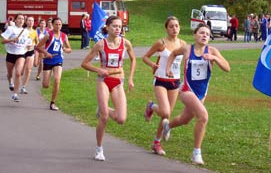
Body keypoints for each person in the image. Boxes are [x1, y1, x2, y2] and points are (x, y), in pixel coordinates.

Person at [163, 23, 230, 165]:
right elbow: (173, 53)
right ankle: (196, 153)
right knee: (203, 117)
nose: (204, 35)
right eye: (201, 33)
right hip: (187, 90)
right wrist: (168, 68)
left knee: (185, 119)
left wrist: (215, 59)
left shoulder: (212, 51)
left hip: (201, 93)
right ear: (195, 35)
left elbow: (227, 68)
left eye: (207, 34)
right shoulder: (188, 49)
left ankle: (168, 126)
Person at [81, 15, 136, 161]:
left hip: (118, 80)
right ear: (108, 27)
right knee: (104, 117)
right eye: (115, 26)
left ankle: (102, 108)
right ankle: (99, 149)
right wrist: (99, 70)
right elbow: (85, 63)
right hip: (103, 80)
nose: (118, 29)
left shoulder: (126, 43)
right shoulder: (100, 44)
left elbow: (133, 59)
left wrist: (130, 78)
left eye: (120, 26)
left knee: (121, 118)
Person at [142, 16, 186, 156]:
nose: (174, 29)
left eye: (176, 26)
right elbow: (145, 57)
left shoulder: (183, 44)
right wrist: (153, 65)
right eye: (171, 26)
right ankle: (151, 107)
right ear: (166, 28)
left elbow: (184, 63)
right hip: (160, 80)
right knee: (165, 112)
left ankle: (156, 142)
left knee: (166, 116)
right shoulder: (161, 43)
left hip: (175, 82)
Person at [35, 18, 72, 110]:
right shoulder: (48, 35)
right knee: (46, 85)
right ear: (52, 25)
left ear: (61, 25)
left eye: (60, 24)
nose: (58, 26)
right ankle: (47, 79)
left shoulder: (64, 36)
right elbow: (38, 47)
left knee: (57, 80)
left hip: (58, 60)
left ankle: (52, 103)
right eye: (56, 24)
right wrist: (46, 53)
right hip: (47, 61)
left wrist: (65, 49)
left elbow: (69, 49)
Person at [1, 14, 30, 102]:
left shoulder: (25, 31)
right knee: (10, 74)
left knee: (18, 73)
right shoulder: (11, 29)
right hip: (10, 53)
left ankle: (15, 94)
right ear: (16, 20)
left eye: (22, 19)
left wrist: (28, 46)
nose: (21, 20)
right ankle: (10, 82)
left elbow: (27, 42)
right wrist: (12, 40)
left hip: (21, 54)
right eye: (19, 18)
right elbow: (3, 41)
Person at [20, 16, 39, 94]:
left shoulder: (35, 32)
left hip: (30, 51)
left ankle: (23, 87)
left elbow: (37, 43)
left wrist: (37, 49)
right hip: (22, 52)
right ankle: (17, 82)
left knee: (28, 69)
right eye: (29, 20)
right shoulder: (22, 30)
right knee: (20, 71)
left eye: (32, 21)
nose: (31, 22)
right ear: (26, 22)